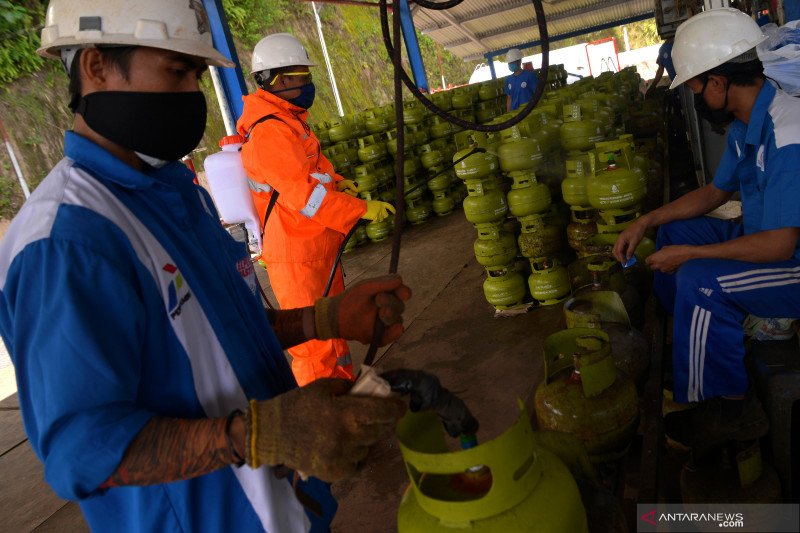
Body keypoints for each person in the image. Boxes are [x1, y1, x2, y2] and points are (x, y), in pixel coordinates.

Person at [0, 1, 411, 531]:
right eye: (176, 71)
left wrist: (324, 320)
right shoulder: (68, 242)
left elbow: (217, 335)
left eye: (195, 75)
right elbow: (82, 449)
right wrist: (254, 436)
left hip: (289, 508)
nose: (192, 94)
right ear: (96, 66)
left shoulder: (175, 194)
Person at [613, 8, 800, 455]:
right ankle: (700, 351)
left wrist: (694, 261)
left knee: (700, 280)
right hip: (766, 239)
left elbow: (780, 245)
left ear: (718, 83)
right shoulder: (747, 122)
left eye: (694, 86)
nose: (694, 97)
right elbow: (716, 192)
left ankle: (733, 409)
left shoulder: (788, 130)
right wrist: (647, 220)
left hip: (791, 263)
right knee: (679, 236)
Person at [237, 33, 396, 387]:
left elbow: (313, 171)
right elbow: (304, 196)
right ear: (268, 82)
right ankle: (326, 411)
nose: (302, 84)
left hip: (314, 246)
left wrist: (339, 183)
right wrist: (358, 209)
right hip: (297, 254)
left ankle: (340, 395)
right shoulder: (270, 132)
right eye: (291, 78)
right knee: (315, 345)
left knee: (332, 329)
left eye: (304, 76)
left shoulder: (289, 122)